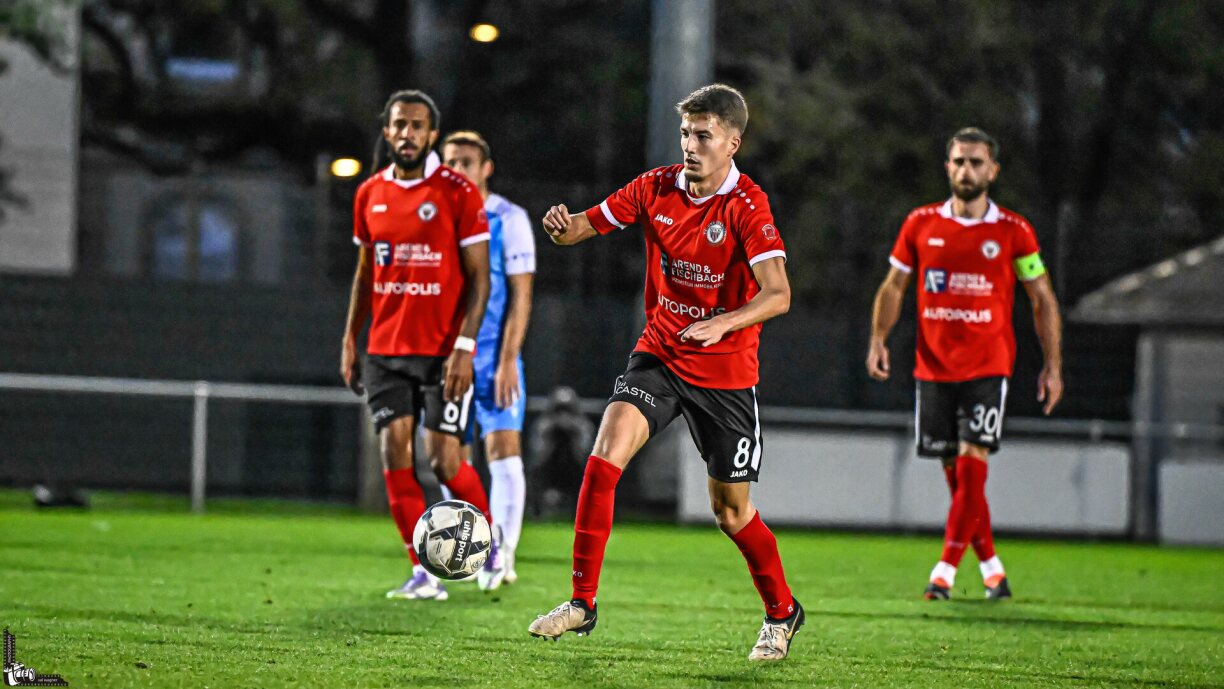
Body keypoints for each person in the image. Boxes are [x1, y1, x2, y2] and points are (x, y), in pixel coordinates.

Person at [527, 84, 804, 662]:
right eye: (686, 133)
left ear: (733, 142)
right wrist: (562, 226)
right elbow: (586, 224)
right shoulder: (655, 187)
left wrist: (725, 322)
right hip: (660, 354)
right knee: (603, 458)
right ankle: (581, 602)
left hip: (726, 373)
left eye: (704, 136)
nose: (691, 145)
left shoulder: (746, 206)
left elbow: (778, 294)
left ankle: (782, 613)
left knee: (730, 512)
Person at [866, 127, 1064, 601]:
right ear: (947, 167)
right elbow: (895, 286)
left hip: (988, 366)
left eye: (975, 162)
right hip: (933, 367)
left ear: (993, 170)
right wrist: (878, 337)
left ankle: (944, 572)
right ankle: (993, 568)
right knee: (958, 478)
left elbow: (1043, 299)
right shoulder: (920, 223)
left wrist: (1052, 364)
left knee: (973, 466)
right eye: (957, 161)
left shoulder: (1014, 231)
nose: (965, 170)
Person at [341, 89, 499, 602]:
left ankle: (487, 539)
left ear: (431, 134)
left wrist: (464, 346)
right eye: (398, 126)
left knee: (445, 462)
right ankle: (422, 572)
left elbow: (481, 282)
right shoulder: (368, 195)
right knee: (394, 453)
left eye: (417, 126)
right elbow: (366, 273)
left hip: (442, 353)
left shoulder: (457, 192)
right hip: (385, 349)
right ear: (386, 132)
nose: (407, 134)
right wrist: (350, 338)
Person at [440, 130, 537, 591]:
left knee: (503, 452)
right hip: (446, 360)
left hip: (494, 357)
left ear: (485, 168)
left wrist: (507, 361)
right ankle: (465, 548)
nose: (456, 170)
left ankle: (503, 555)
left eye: (465, 162)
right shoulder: (434, 218)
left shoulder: (508, 218)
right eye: (450, 162)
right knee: (449, 458)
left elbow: (521, 295)